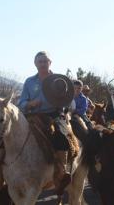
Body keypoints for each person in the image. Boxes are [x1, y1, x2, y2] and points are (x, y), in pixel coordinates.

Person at [18, 51, 74, 193]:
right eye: (40, 61)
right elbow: (22, 102)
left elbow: (69, 100)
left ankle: (61, 171)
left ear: (50, 63)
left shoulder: (60, 81)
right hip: (33, 115)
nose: (42, 64)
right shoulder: (29, 81)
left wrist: (65, 110)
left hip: (54, 114)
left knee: (61, 135)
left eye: (45, 61)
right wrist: (30, 104)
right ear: (35, 64)